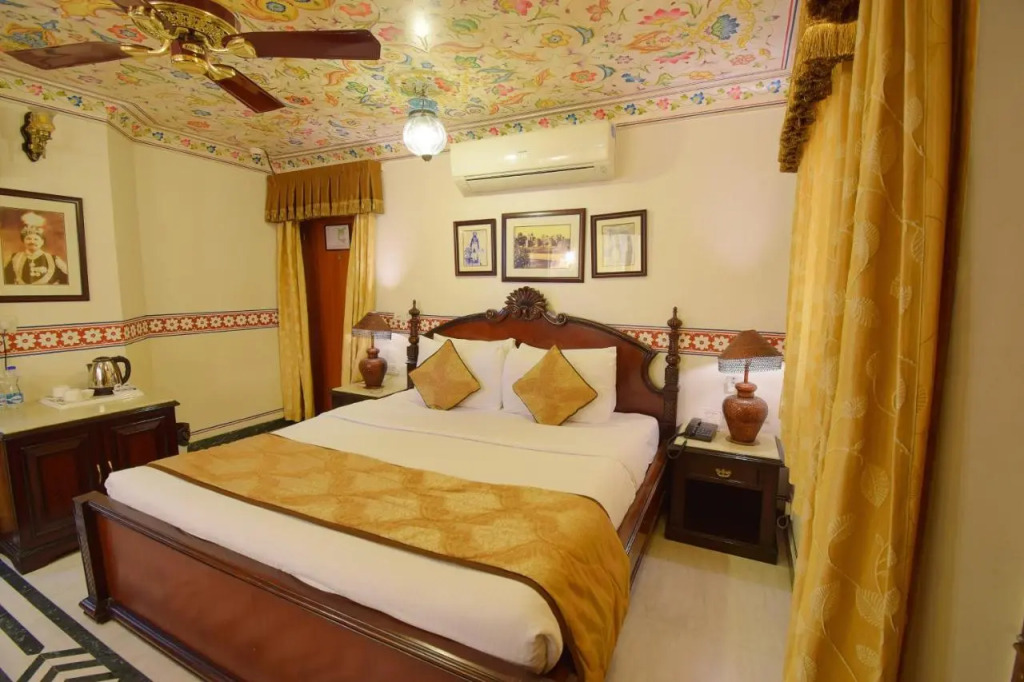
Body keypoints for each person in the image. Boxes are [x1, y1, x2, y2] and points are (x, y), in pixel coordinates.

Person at [3, 212, 68, 285]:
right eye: (28, 239)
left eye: (36, 239)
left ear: (42, 242)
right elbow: (6, 280)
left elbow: (67, 282)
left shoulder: (54, 259)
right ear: (23, 241)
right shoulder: (14, 258)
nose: (32, 242)